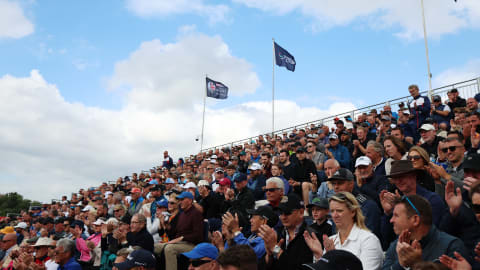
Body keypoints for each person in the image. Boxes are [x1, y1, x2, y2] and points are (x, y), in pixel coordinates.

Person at [383, 195, 470, 270]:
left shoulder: (451, 246)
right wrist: (402, 265)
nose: (391, 220)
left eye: (396, 215)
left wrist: (418, 264)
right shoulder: (396, 246)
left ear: (415, 220)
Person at [318, 192, 383, 269]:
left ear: (353, 212)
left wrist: (335, 256)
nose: (335, 215)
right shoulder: (331, 240)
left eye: (339, 211)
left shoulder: (368, 240)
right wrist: (318, 254)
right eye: (332, 211)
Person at [258, 194, 313, 270]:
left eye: (287, 212)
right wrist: (269, 255)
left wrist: (276, 250)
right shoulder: (278, 234)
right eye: (280, 212)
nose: (283, 217)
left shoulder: (311, 236)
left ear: (301, 212)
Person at [154, 191, 203, 270]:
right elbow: (173, 233)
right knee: (155, 247)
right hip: (179, 243)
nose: (180, 202)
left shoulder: (196, 214)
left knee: (169, 249)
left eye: (182, 199)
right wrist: (165, 225)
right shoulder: (182, 214)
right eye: (180, 200)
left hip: (192, 244)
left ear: (190, 201)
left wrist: (182, 238)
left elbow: (198, 235)